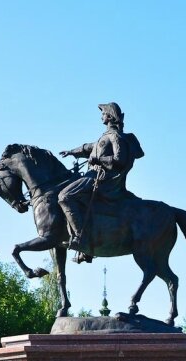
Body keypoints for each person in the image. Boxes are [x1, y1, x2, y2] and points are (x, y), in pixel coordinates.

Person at [59, 102, 144, 262]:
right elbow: (89, 147)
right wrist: (72, 152)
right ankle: (87, 245)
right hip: (94, 175)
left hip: (101, 178)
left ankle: (80, 238)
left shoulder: (115, 137)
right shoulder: (106, 136)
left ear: (110, 116)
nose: (101, 116)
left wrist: (98, 158)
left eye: (103, 113)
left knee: (64, 196)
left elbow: (119, 160)